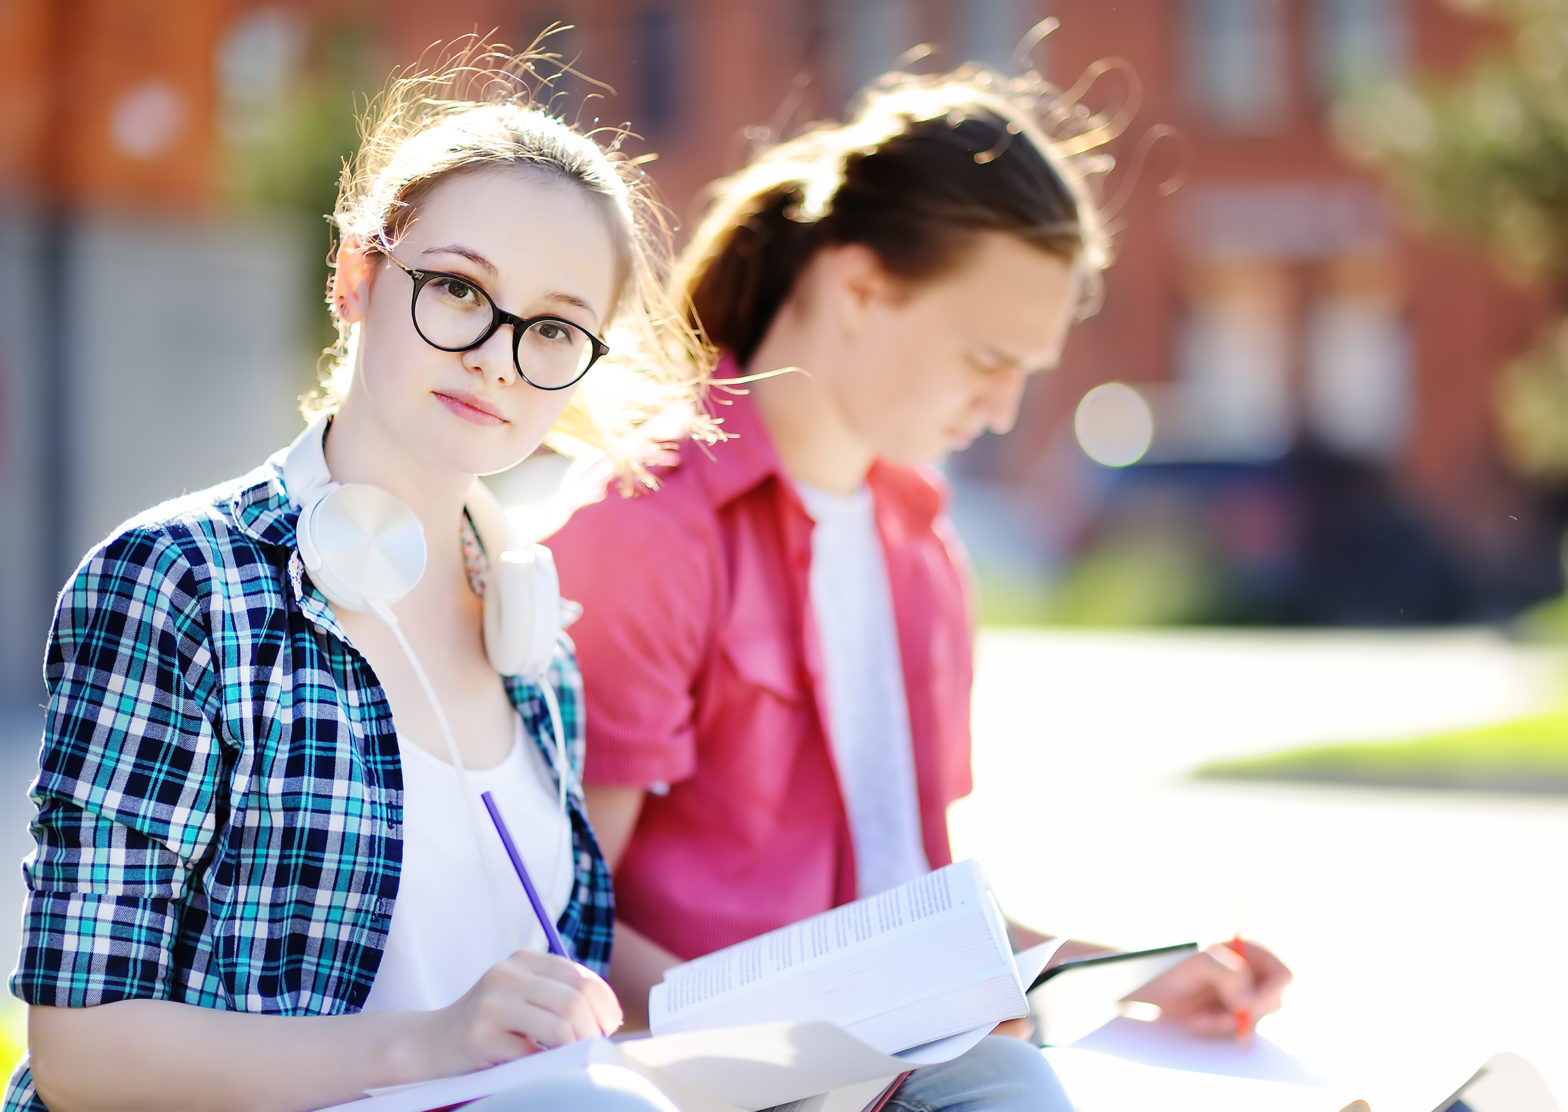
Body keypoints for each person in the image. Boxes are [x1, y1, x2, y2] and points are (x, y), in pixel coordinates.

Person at [546, 65, 1292, 1108]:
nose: (999, 410)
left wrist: (1135, 969)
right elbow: (559, 917)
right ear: (856, 288)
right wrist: (806, 1055)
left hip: (920, 1066)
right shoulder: (647, 527)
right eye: (984, 356)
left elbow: (903, 906)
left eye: (1024, 371)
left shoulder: (923, 549)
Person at [5, 40, 707, 1112]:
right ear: (356, 276)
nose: (496, 355)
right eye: (459, 289)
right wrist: (424, 1044)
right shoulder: (180, 582)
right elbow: (82, 1053)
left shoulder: (535, 638)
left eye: (554, 328)